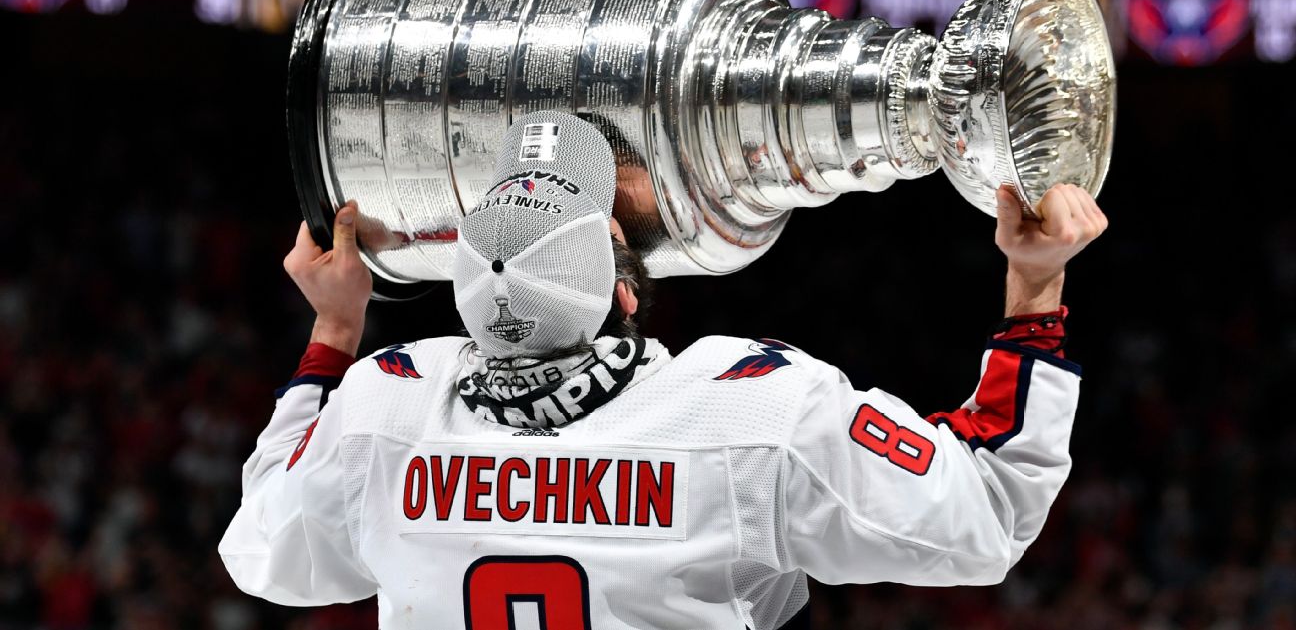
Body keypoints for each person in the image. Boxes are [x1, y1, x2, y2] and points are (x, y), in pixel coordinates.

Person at [219, 111, 1108, 630]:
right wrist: (1036, 281)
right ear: (629, 293)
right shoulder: (750, 416)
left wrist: (334, 331)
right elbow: (989, 508)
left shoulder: (387, 404)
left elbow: (264, 551)